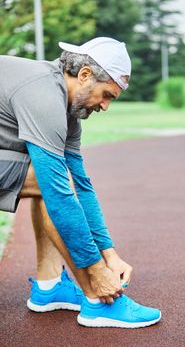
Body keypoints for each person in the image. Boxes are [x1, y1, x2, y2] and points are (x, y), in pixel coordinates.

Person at [0, 37, 161, 328]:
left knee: (55, 179)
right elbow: (61, 195)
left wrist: (110, 254)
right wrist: (97, 271)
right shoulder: (43, 96)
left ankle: (49, 288)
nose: (105, 106)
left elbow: (81, 184)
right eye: (106, 94)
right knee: (49, 182)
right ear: (84, 74)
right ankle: (99, 301)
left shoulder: (68, 112)